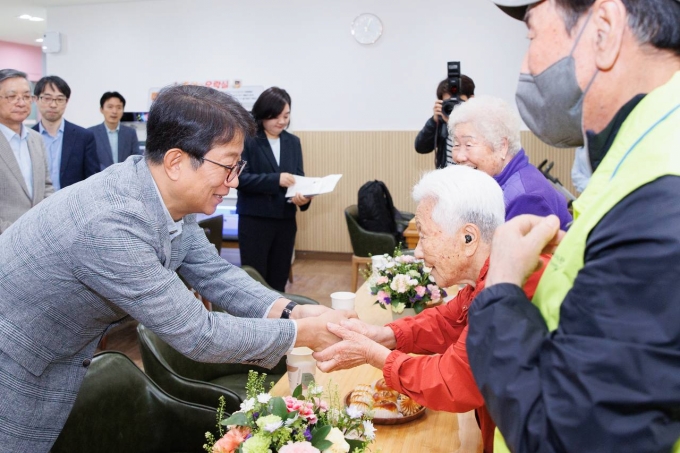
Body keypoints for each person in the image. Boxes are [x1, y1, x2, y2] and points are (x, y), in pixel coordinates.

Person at [0, 84, 351, 452]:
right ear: (175, 161)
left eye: (238, 166)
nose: (233, 182)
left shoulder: (157, 191)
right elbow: (199, 334)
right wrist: (303, 333)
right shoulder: (112, 223)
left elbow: (215, 273)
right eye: (228, 167)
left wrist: (293, 310)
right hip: (17, 361)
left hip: (58, 352)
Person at [466, 1, 680, 452]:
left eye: (530, 37)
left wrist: (501, 284)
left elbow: (567, 437)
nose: (525, 67)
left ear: (603, 29)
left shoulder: (662, 196)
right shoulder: (645, 157)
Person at [314, 165, 548, 453]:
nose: (419, 251)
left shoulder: (513, 283)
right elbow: (447, 322)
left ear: (468, 238)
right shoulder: (493, 273)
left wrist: (371, 353)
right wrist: (380, 335)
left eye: (424, 235)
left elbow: (453, 380)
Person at [449, 95, 572, 229]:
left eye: (469, 145)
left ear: (502, 146)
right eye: (456, 144)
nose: (459, 157)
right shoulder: (489, 182)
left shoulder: (527, 197)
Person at [236, 87, 311, 292]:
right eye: (275, 116)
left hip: (285, 221)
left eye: (286, 116)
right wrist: (275, 179)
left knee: (279, 280)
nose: (281, 121)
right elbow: (240, 179)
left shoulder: (293, 142)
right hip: (255, 221)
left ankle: (278, 322)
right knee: (255, 280)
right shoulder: (247, 140)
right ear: (262, 115)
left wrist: (304, 198)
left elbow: (298, 177)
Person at [0, 69, 53, 233]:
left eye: (26, 96)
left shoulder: (36, 139)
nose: (21, 102)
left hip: (38, 238)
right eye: (11, 96)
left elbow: (47, 187)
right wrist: (16, 234)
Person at [32, 75, 100, 190]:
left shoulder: (84, 137)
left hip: (72, 205)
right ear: (36, 100)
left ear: (66, 102)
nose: (53, 104)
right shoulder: (28, 137)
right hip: (37, 206)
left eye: (59, 99)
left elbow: (92, 180)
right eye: (47, 98)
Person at [414, 75, 475, 168]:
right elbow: (421, 147)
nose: (454, 107)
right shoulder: (442, 122)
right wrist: (434, 121)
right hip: (447, 178)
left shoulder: (480, 124)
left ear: (471, 100)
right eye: (449, 103)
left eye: (458, 102)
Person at [88, 91, 141, 170]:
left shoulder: (130, 133)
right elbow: (90, 160)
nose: (114, 111)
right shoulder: (90, 133)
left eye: (119, 107)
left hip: (125, 178)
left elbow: (137, 158)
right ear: (101, 109)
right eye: (110, 107)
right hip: (99, 178)